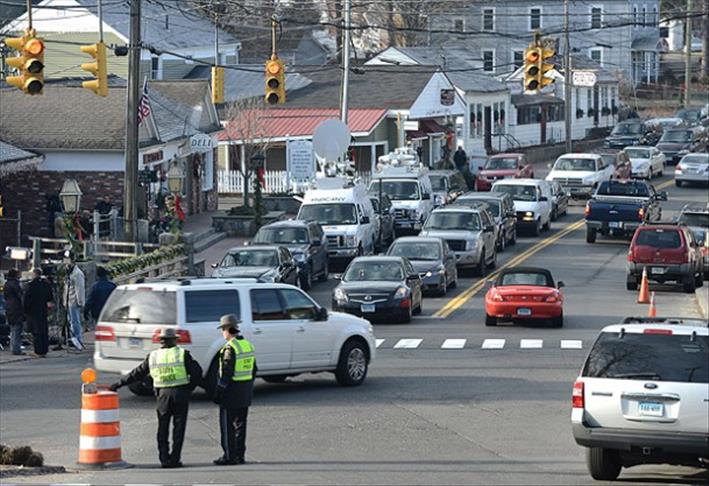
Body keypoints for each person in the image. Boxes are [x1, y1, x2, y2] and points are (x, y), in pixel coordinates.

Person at [109, 328, 202, 468]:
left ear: (161, 341)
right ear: (174, 340)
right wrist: (189, 388)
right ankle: (175, 459)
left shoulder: (153, 356)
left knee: (162, 427)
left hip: (162, 395)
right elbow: (197, 372)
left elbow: (136, 374)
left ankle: (164, 459)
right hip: (180, 393)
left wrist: (118, 384)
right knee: (179, 427)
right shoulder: (182, 354)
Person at [213, 314, 256, 466]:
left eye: (222, 330)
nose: (222, 333)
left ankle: (229, 456)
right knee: (241, 425)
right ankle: (240, 455)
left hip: (231, 392)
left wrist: (219, 392)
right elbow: (254, 370)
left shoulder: (230, 348)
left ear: (227, 329)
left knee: (227, 426)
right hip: (245, 391)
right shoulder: (247, 345)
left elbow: (226, 373)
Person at [23, 268, 54, 357]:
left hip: (33, 311)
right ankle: (44, 349)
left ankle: (38, 351)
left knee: (36, 331)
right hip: (43, 309)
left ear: (34, 274)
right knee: (43, 329)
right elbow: (50, 296)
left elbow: (26, 299)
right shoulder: (45, 284)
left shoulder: (30, 285)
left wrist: (25, 311)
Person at [63, 257, 85, 350]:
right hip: (68, 300)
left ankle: (77, 340)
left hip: (74, 301)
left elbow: (79, 289)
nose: (66, 265)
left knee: (75, 322)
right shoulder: (69, 273)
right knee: (71, 321)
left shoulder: (77, 274)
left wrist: (80, 302)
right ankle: (73, 339)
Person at [4, 269, 24, 355]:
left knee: (12, 329)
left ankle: (13, 347)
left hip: (9, 307)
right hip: (16, 307)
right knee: (17, 329)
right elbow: (20, 295)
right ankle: (16, 349)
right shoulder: (15, 284)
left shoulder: (7, 284)